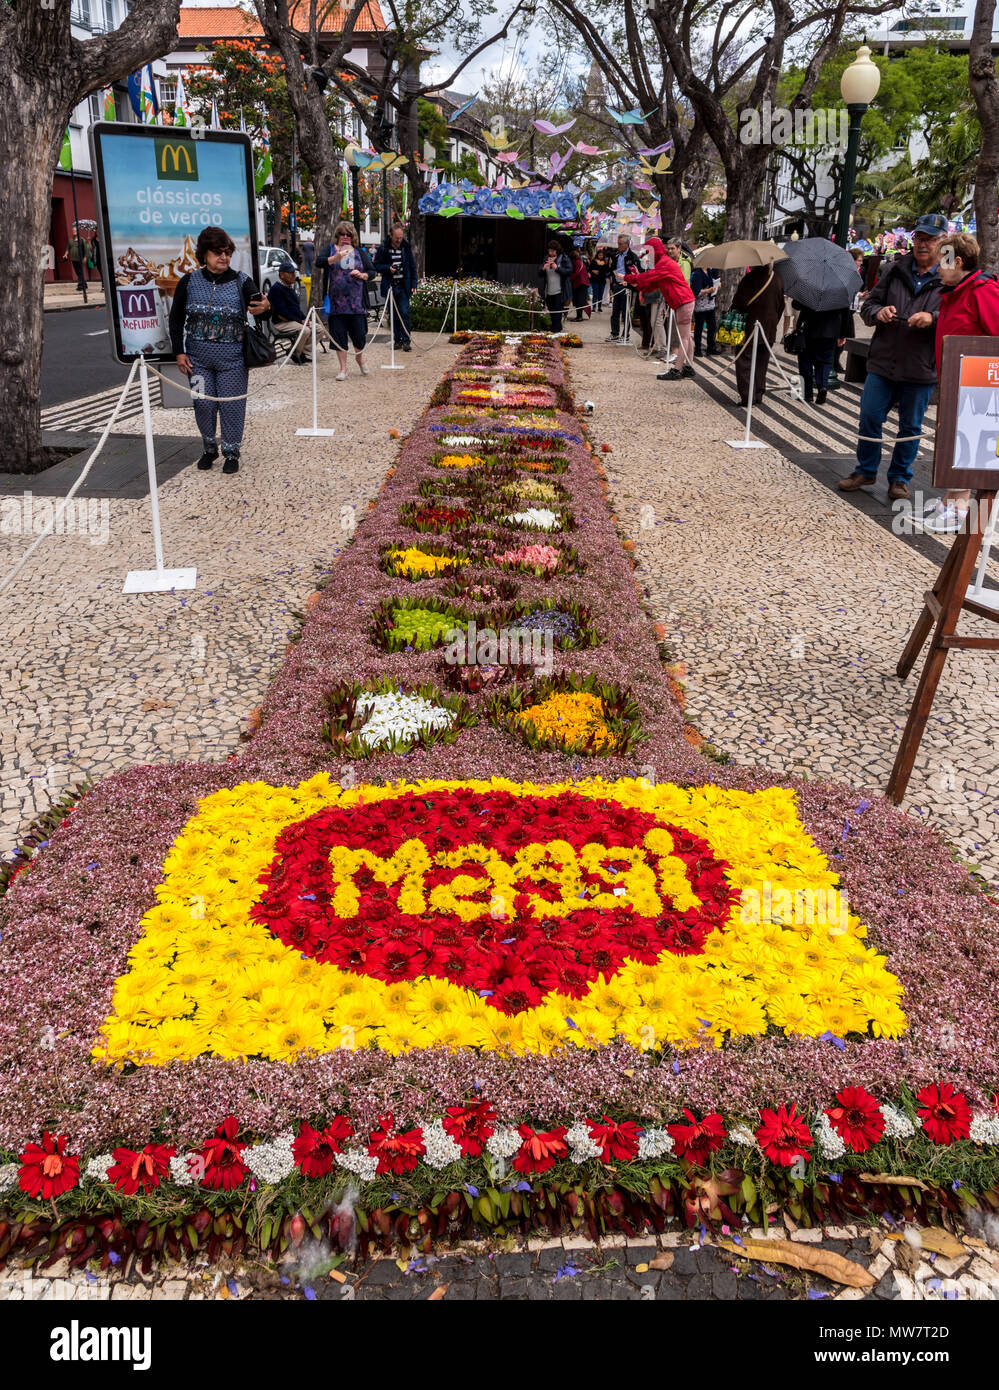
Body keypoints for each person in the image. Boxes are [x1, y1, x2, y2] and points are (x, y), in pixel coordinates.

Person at [838, 213, 947, 501]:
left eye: (930, 239)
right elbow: (869, 303)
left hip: (921, 365)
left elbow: (957, 317)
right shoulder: (894, 269)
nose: (923, 244)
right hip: (884, 360)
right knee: (870, 416)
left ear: (943, 242)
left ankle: (899, 478)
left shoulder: (950, 277)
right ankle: (866, 470)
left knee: (910, 427)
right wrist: (878, 312)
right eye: (919, 238)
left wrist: (932, 318)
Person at [169, 226, 270, 475]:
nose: (223, 257)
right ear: (204, 254)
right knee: (203, 404)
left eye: (227, 252)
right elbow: (176, 318)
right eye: (217, 253)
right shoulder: (189, 281)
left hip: (232, 362)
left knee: (231, 406)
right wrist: (178, 352)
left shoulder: (241, 281)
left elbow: (262, 308)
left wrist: (266, 307)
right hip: (198, 361)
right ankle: (209, 448)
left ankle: (232, 452)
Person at [919, 233, 999, 532]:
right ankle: (950, 501)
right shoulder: (955, 292)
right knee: (953, 442)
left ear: (958, 261)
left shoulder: (982, 290)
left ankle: (960, 507)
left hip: (977, 384)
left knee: (966, 443)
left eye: (942, 260)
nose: (937, 266)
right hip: (955, 379)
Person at [625, 238, 696, 380]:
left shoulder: (664, 263)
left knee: (684, 338)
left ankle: (677, 370)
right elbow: (654, 283)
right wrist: (638, 285)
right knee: (686, 337)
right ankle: (688, 367)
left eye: (649, 251)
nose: (648, 255)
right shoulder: (664, 262)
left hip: (683, 301)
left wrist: (629, 278)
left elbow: (650, 277)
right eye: (668, 248)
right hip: (684, 300)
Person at [317, 221, 375, 379]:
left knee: (360, 335)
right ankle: (343, 369)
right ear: (337, 235)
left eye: (348, 234)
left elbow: (371, 271)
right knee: (339, 335)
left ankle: (359, 358)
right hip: (337, 303)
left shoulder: (359, 252)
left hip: (356, 303)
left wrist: (363, 275)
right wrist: (334, 258)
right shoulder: (329, 249)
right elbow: (318, 262)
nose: (345, 237)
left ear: (353, 236)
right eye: (342, 234)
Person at [730, 263, 786, 406]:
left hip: (750, 326)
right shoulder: (778, 279)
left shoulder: (749, 279)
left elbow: (739, 302)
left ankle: (747, 396)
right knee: (762, 361)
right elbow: (781, 306)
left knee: (745, 360)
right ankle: (758, 393)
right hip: (769, 328)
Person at [790, 299, 854, 404]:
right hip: (829, 332)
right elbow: (846, 312)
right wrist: (843, 334)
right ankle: (822, 387)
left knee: (805, 362)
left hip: (808, 330)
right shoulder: (838, 289)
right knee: (825, 362)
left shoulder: (809, 286)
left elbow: (796, 305)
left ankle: (807, 394)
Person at [268, 263, 327, 365]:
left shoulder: (290, 289)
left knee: (319, 329)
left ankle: (305, 352)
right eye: (290, 273)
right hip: (282, 322)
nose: (293, 275)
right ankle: (295, 353)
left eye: (294, 272)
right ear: (282, 275)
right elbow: (282, 312)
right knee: (305, 330)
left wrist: (306, 319)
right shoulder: (276, 289)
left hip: (294, 320)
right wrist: (301, 321)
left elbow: (296, 310)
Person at [374, 222, 417, 351]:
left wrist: (414, 284)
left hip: (403, 286)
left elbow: (412, 266)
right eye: (397, 237)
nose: (399, 240)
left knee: (404, 313)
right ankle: (397, 340)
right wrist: (388, 268)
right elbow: (376, 265)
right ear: (390, 235)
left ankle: (406, 340)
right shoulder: (383, 248)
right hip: (390, 287)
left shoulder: (405, 247)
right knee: (393, 315)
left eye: (401, 237)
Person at [607, 233, 641, 343]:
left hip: (627, 288)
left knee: (626, 312)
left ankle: (625, 335)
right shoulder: (616, 255)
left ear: (627, 244)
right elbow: (612, 270)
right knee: (615, 312)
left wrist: (629, 281)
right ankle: (614, 333)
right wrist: (612, 285)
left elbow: (636, 273)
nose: (619, 246)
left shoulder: (633, 257)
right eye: (618, 244)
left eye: (621, 244)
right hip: (617, 285)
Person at [538, 240, 572, 331]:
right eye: (549, 250)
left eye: (553, 251)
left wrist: (557, 268)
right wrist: (543, 269)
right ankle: (557, 331)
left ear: (557, 250)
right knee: (552, 313)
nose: (550, 253)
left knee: (557, 314)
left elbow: (569, 271)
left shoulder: (564, 259)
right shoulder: (546, 258)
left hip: (560, 291)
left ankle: (555, 333)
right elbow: (539, 273)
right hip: (548, 291)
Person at [690, 264, 720, 356]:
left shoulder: (710, 272)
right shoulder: (697, 274)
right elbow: (696, 291)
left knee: (712, 326)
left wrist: (717, 285)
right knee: (699, 327)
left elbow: (715, 281)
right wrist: (708, 290)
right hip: (701, 305)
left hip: (710, 304)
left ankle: (711, 347)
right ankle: (697, 349)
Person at [570, 249, 591, 320]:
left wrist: (570, 279)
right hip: (583, 283)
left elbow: (576, 273)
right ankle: (579, 316)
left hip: (580, 283)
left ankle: (579, 317)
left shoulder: (576, 262)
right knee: (581, 300)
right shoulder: (580, 262)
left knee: (579, 301)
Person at [63, 225, 86, 290]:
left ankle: (80, 285)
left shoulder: (82, 240)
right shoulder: (70, 240)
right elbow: (68, 249)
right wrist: (65, 254)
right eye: (73, 231)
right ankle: (84, 284)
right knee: (77, 271)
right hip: (73, 259)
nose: (74, 232)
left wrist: (85, 257)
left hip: (80, 258)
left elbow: (86, 249)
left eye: (75, 231)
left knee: (80, 271)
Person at [589, 246, 610, 311]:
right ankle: (594, 307)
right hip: (595, 280)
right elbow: (589, 269)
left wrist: (609, 265)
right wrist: (593, 271)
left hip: (602, 280)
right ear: (597, 255)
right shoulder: (593, 261)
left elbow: (607, 270)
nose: (600, 256)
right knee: (595, 294)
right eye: (599, 255)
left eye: (602, 255)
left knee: (600, 294)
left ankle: (599, 307)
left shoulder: (605, 263)